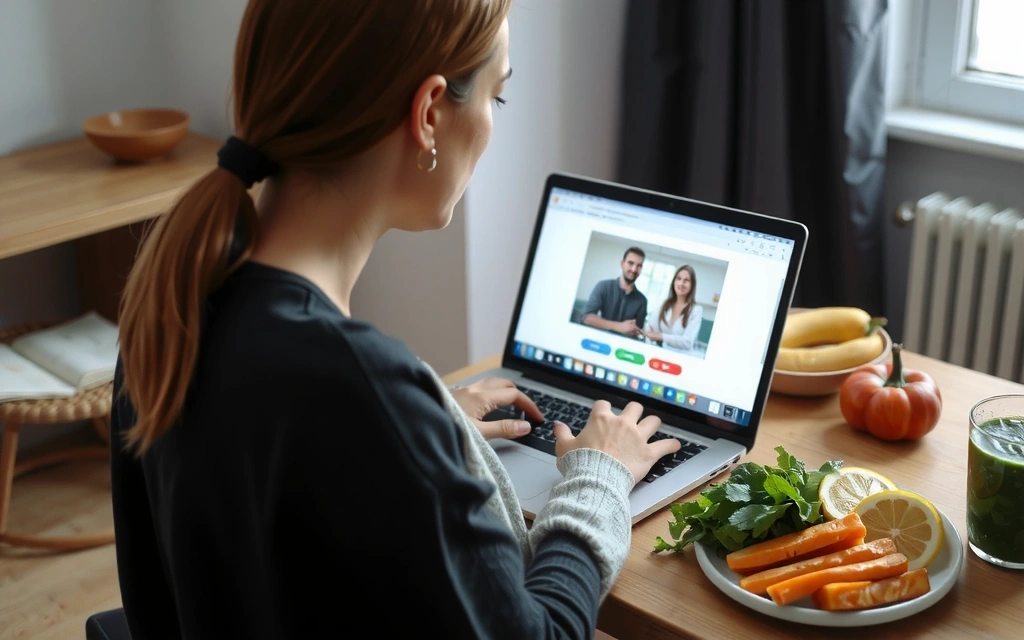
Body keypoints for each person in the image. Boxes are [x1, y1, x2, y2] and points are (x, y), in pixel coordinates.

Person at [108, 2, 680, 638]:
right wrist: (597, 479)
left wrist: (425, 428)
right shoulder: (363, 389)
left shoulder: (174, 304)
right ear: (430, 112)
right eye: (499, 97)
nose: (493, 123)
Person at [581, 247, 649, 339]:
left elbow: (638, 332)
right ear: (622, 264)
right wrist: (620, 327)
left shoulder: (642, 301)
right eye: (631, 263)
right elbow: (587, 318)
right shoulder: (603, 286)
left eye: (639, 266)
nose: (634, 269)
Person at [643, 265, 704, 353]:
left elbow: (687, 342)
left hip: (680, 359)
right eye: (678, 279)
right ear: (674, 282)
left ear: (692, 285)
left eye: (686, 280)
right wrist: (649, 331)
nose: (681, 283)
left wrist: (662, 336)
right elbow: (650, 327)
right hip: (659, 354)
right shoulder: (664, 304)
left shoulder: (696, 310)